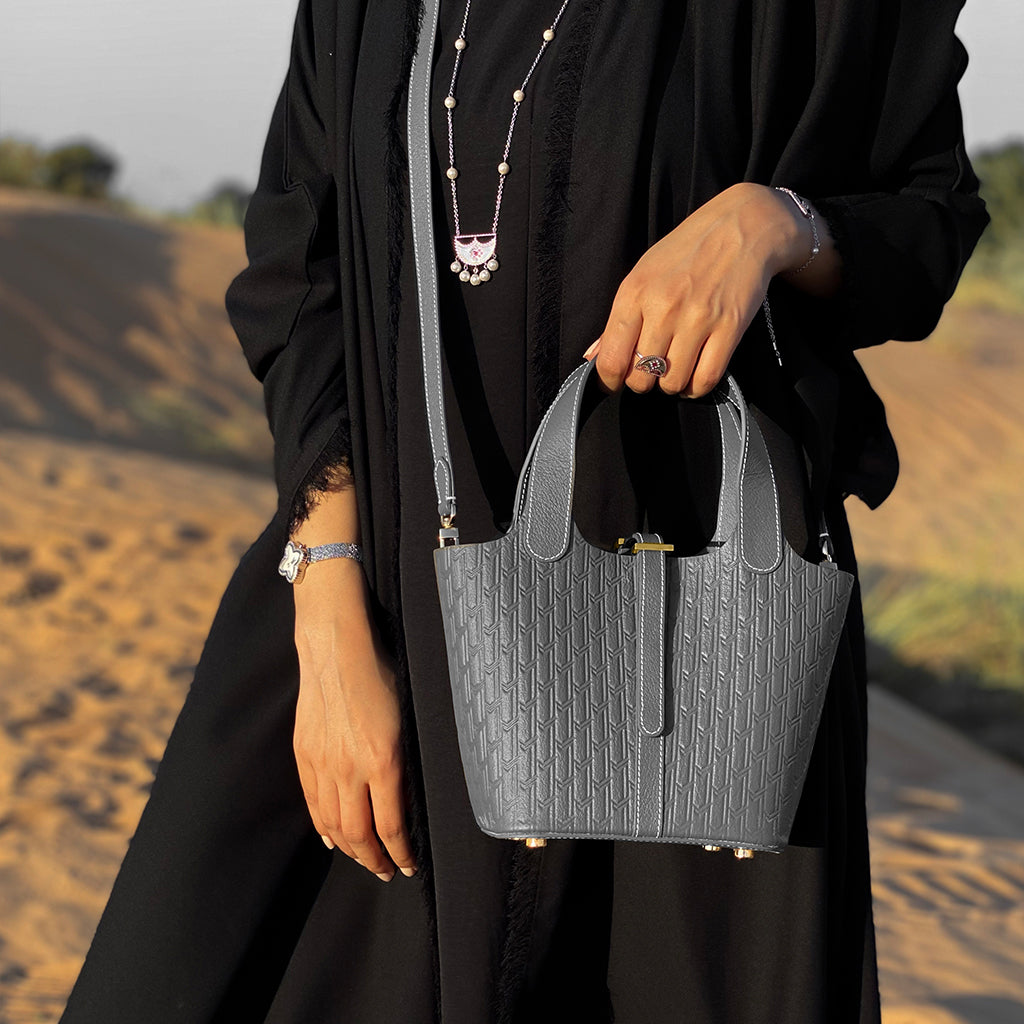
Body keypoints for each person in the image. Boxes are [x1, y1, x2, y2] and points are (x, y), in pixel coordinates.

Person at [61, 0, 988, 1021]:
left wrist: (772, 225)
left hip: (701, 644)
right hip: (392, 613)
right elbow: (298, 270)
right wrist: (327, 618)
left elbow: (925, 222)